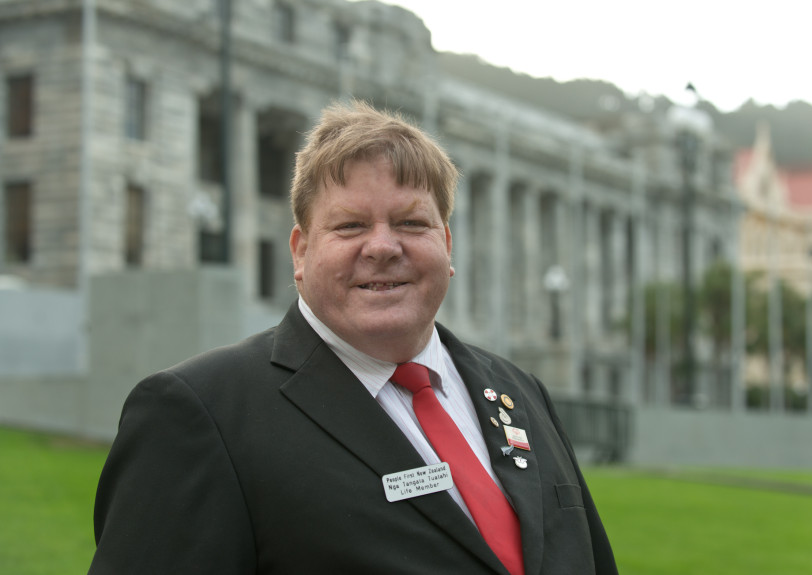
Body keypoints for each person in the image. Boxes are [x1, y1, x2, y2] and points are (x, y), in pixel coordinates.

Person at [89, 101, 618, 575]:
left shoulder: (521, 393)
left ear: (447, 245)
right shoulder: (200, 413)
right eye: (349, 227)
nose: (383, 247)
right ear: (300, 252)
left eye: (412, 223)